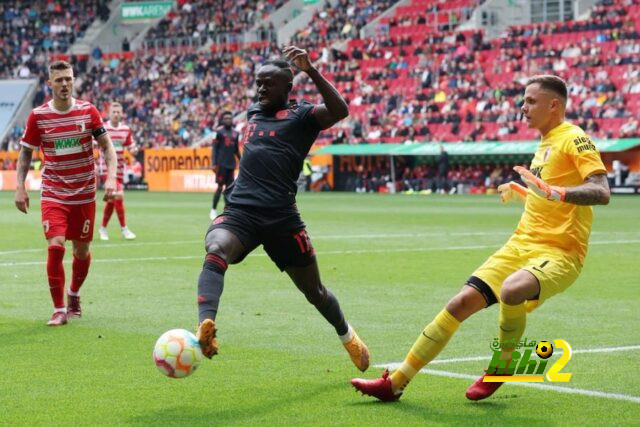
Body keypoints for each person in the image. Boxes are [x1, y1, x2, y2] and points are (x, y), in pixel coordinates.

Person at [352, 74, 610, 401]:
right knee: (459, 303)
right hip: (521, 244)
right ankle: (396, 381)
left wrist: (558, 192)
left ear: (554, 105)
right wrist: (525, 191)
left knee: (512, 290)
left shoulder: (573, 137)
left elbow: (601, 192)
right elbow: (548, 191)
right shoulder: (546, 141)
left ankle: (502, 366)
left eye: (531, 101)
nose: (523, 107)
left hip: (561, 252)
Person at [195, 46, 370, 372]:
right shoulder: (252, 113)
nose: (261, 89)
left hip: (282, 219)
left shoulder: (303, 116)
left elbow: (340, 109)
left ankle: (348, 337)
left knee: (315, 292)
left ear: (287, 88)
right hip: (241, 212)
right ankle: (206, 326)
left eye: (268, 84)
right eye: (258, 83)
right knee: (216, 247)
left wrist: (312, 70)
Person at [15, 60, 117, 326]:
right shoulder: (38, 116)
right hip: (54, 192)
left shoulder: (88, 111)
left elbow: (108, 147)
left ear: (74, 81)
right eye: (59, 80)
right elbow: (26, 152)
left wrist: (111, 179)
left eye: (68, 79)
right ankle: (59, 308)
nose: (64, 84)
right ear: (50, 84)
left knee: (81, 251)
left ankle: (73, 294)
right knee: (55, 244)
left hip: (84, 192)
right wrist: (20, 186)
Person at [98, 102, 137, 240]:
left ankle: (102, 229)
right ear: (109, 113)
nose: (116, 114)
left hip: (120, 169)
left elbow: (131, 146)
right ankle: (124, 229)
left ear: (122, 114)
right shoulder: (103, 128)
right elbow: (94, 142)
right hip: (106, 168)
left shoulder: (126, 129)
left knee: (111, 200)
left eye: (118, 112)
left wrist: (133, 150)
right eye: (113, 112)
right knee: (118, 195)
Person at [209, 111, 241, 220]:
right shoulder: (218, 132)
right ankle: (213, 210)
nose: (228, 120)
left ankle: (228, 211)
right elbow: (214, 148)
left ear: (232, 120)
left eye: (230, 118)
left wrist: (242, 160)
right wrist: (213, 163)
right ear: (223, 120)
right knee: (219, 187)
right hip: (221, 165)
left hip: (231, 165)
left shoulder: (236, 133)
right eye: (226, 118)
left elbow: (236, 150)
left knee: (229, 189)